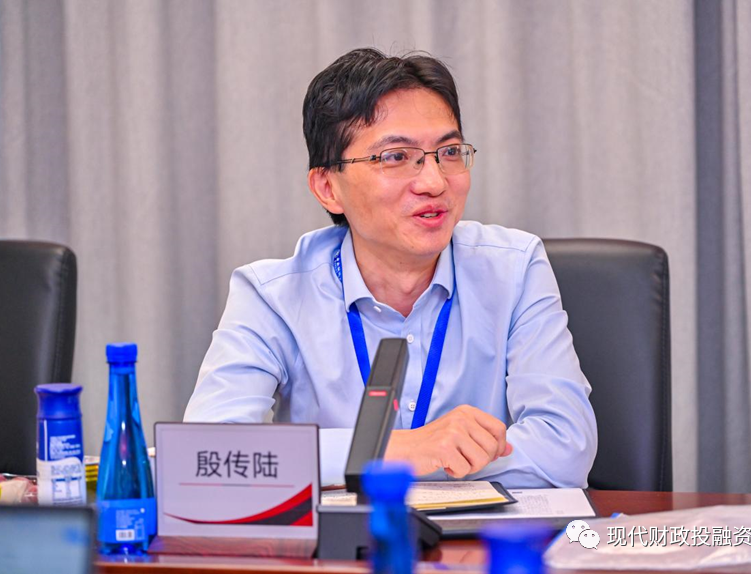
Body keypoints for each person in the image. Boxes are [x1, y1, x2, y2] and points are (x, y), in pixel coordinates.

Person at [184, 48, 597, 488]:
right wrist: (399, 450)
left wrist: (371, 462)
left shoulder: (514, 268)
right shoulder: (272, 296)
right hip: (344, 536)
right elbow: (208, 455)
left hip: (477, 534)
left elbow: (565, 449)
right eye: (396, 157)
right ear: (328, 188)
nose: (434, 182)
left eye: (449, 152)